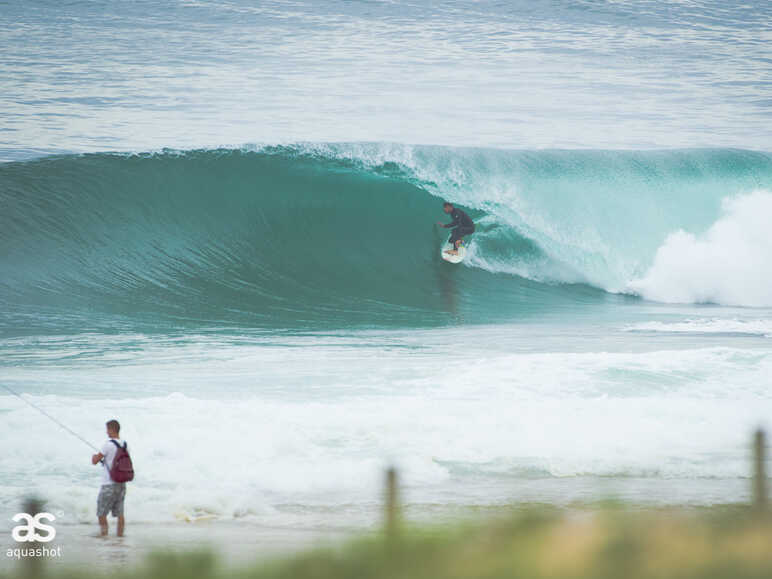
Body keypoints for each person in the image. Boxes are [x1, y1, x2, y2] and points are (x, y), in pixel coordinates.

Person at [91, 419, 127, 537]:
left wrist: (94, 457)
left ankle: (104, 535)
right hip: (121, 483)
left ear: (112, 430)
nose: (106, 432)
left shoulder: (108, 445)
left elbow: (95, 461)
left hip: (108, 484)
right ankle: (120, 537)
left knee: (101, 513)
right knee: (120, 513)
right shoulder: (125, 444)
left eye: (107, 429)